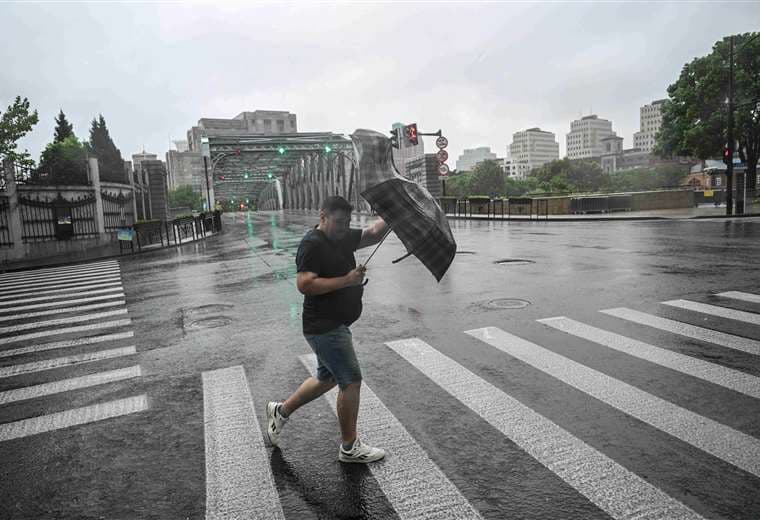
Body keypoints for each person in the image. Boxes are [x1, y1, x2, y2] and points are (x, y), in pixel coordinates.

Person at [266, 195, 388, 463]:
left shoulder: (341, 237)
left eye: (346, 222)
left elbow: (372, 234)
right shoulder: (312, 244)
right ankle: (349, 447)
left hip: (333, 323)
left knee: (327, 378)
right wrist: (348, 280)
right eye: (338, 222)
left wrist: (393, 215)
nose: (343, 228)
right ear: (322, 217)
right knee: (351, 380)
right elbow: (305, 284)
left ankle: (281, 411)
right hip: (324, 325)